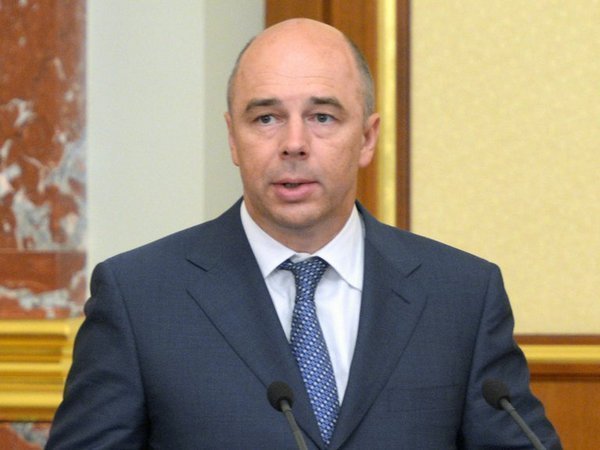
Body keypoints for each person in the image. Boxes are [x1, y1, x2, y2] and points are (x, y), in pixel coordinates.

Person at [47, 18, 561, 449]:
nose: (294, 143)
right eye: (266, 118)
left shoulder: (461, 296)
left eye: (322, 117)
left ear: (368, 138)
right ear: (233, 138)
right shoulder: (140, 298)